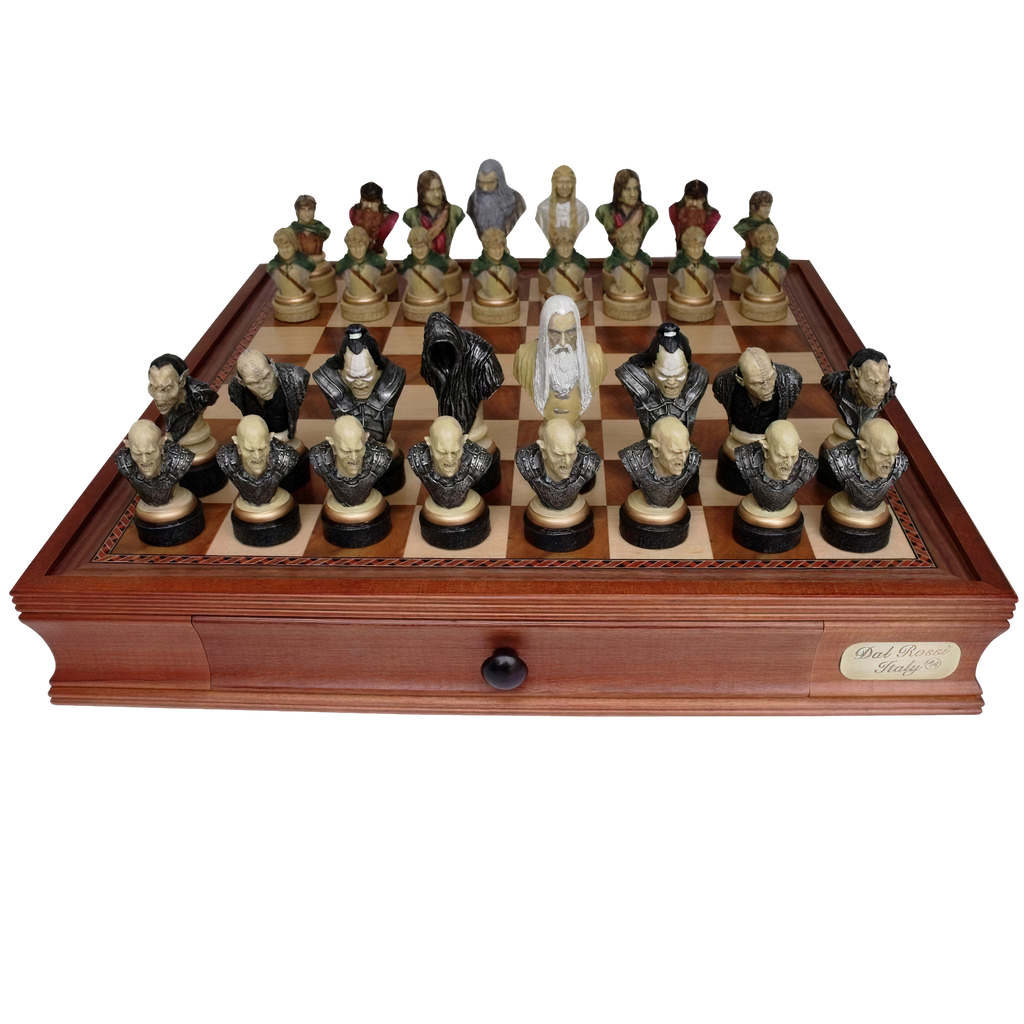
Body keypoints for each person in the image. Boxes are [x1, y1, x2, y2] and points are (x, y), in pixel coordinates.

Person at [512, 295, 607, 440]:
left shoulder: (596, 356)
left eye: (570, 332)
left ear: (578, 329)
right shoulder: (524, 357)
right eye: (555, 333)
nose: (563, 343)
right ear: (544, 330)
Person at [312, 325, 406, 444]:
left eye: (366, 375)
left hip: (381, 445)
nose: (359, 383)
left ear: (378, 368)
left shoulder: (394, 377)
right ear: (341, 371)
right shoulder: (326, 379)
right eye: (351, 376)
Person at [614, 324, 708, 435]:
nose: (672, 382)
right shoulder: (631, 377)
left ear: (688, 367)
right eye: (664, 375)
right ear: (652, 364)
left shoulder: (699, 378)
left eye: (679, 375)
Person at [712, 347, 802, 438]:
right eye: (757, 383)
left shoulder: (791, 381)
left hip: (770, 439)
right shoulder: (722, 383)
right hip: (739, 437)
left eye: (771, 378)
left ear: (774, 368)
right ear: (740, 380)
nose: (767, 388)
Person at [515, 419, 601, 511]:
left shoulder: (590, 462)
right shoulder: (525, 461)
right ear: (543, 450)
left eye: (571, 453)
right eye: (559, 455)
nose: (568, 462)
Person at [408, 416, 493, 509]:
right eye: (442, 452)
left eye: (455, 452)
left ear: (464, 442)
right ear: (429, 443)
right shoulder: (417, 458)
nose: (449, 459)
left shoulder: (479, 461)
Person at [618, 416, 701, 508]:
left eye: (686, 451)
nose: (684, 458)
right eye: (676, 452)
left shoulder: (693, 460)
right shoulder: (633, 460)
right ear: (655, 449)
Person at [310, 415, 392, 508]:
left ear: (366, 439)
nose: (354, 457)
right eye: (346, 451)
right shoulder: (318, 458)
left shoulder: (381, 458)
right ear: (333, 446)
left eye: (359, 450)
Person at [217, 415, 299, 506]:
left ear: (270, 440)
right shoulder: (224, 459)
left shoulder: (286, 458)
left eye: (262, 448)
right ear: (238, 446)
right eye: (250, 450)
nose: (257, 456)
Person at [735, 420, 817, 512]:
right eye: (782, 456)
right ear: (766, 450)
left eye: (793, 456)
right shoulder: (745, 459)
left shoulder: (808, 466)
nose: (789, 463)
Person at [229, 350, 309, 441]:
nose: (263, 386)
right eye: (253, 383)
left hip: (285, 435)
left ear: (273, 366)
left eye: (267, 376)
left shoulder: (296, 377)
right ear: (241, 382)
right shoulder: (235, 389)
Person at [115, 419, 195, 508]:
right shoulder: (123, 462)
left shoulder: (180, 460)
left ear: (161, 444)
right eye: (137, 454)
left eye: (150, 453)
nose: (144, 460)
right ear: (127, 445)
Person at [821, 347, 895, 437]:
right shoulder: (833, 384)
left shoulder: (890, 390)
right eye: (873, 382)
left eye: (885, 383)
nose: (881, 392)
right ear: (854, 375)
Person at [146, 352, 219, 443]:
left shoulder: (201, 396)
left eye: (167, 388)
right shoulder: (168, 404)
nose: (158, 397)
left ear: (182, 381)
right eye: (153, 388)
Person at [402, 167, 465, 260]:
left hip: (445, 261)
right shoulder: (411, 215)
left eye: (438, 189)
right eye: (431, 190)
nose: (437, 194)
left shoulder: (455, 212)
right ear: (422, 192)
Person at [593, 166, 659, 251]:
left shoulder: (649, 212)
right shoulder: (604, 211)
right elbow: (613, 238)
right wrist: (633, 222)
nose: (633, 194)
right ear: (618, 191)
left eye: (636, 189)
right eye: (627, 189)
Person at [466, 156, 528, 238]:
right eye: (481, 182)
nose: (484, 188)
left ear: (499, 180)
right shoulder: (473, 200)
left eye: (490, 183)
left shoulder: (515, 200)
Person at [533, 162, 592, 249]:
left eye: (568, 182)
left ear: (574, 184)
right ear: (554, 184)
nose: (564, 186)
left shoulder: (581, 209)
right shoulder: (543, 209)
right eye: (561, 182)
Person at [346, 180, 399, 255]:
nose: (369, 206)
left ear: (379, 201)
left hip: (378, 253)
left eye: (374, 202)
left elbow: (380, 242)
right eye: (365, 201)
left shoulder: (390, 217)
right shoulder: (354, 212)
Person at [667, 178, 723, 248]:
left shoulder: (714, 215)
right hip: (679, 248)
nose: (694, 203)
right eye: (690, 198)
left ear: (704, 199)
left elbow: (701, 235)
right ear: (685, 197)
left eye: (699, 199)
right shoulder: (674, 209)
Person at [289, 193, 333, 257]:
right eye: (303, 210)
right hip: (298, 259)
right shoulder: (293, 227)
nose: (307, 213)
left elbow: (326, 234)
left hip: (317, 258)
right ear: (298, 211)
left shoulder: (320, 227)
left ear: (314, 210)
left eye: (310, 209)